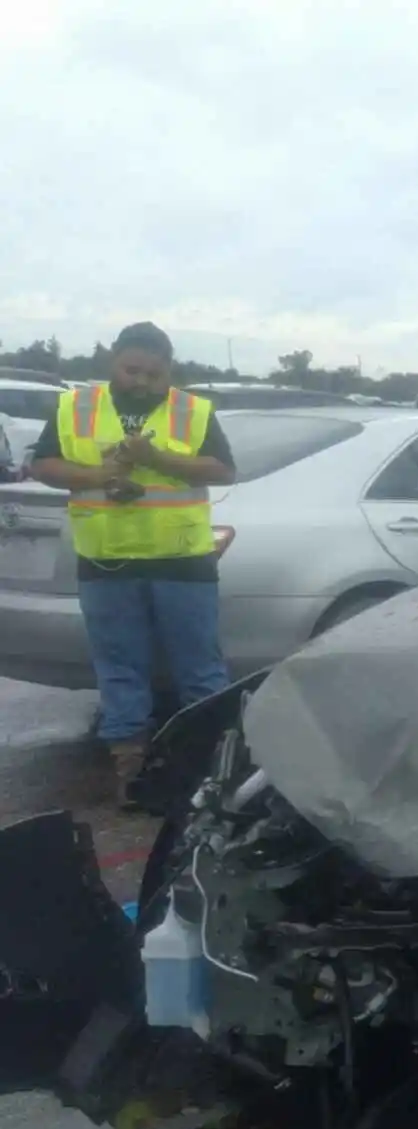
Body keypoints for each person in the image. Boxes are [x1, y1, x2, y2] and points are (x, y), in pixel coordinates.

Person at [28, 323, 237, 806]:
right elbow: (44, 466)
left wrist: (155, 457)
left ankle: (213, 776)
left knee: (200, 672)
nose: (142, 382)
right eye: (132, 370)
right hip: (107, 560)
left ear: (169, 371)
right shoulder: (75, 406)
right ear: (112, 362)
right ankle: (132, 775)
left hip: (182, 560)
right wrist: (102, 475)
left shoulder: (192, 410)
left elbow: (224, 470)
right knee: (120, 670)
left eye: (154, 374)